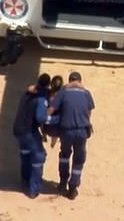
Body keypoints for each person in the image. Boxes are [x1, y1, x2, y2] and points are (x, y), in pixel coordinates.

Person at [47, 72, 95, 200]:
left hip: (66, 130)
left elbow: (51, 109)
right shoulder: (86, 93)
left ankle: (63, 182)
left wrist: (43, 120)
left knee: (64, 155)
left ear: (69, 80)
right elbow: (89, 111)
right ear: (79, 80)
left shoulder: (63, 91)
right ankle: (73, 188)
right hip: (81, 131)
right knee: (79, 159)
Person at [13, 73, 55, 199]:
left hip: (17, 129)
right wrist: (54, 119)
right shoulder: (41, 99)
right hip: (29, 132)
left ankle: (25, 180)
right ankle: (33, 189)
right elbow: (41, 117)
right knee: (38, 157)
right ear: (48, 84)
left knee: (25, 154)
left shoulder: (27, 94)